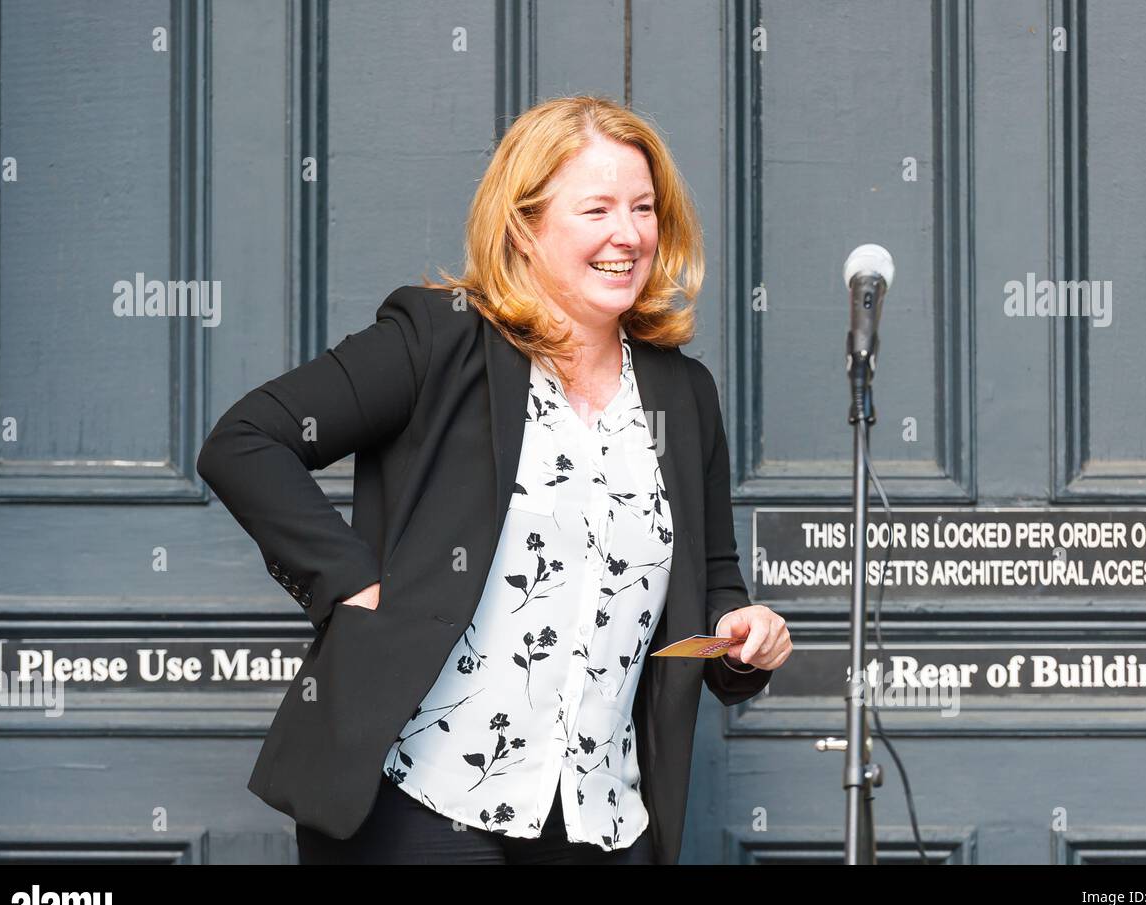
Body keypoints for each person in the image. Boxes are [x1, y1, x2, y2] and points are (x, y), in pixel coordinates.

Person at [196, 94, 793, 865]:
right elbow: (246, 441)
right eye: (598, 209)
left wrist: (743, 636)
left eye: (644, 208)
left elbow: (711, 584)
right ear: (524, 225)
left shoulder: (684, 392)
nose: (629, 233)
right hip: (420, 804)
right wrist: (348, 582)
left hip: (601, 824)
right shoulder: (438, 340)